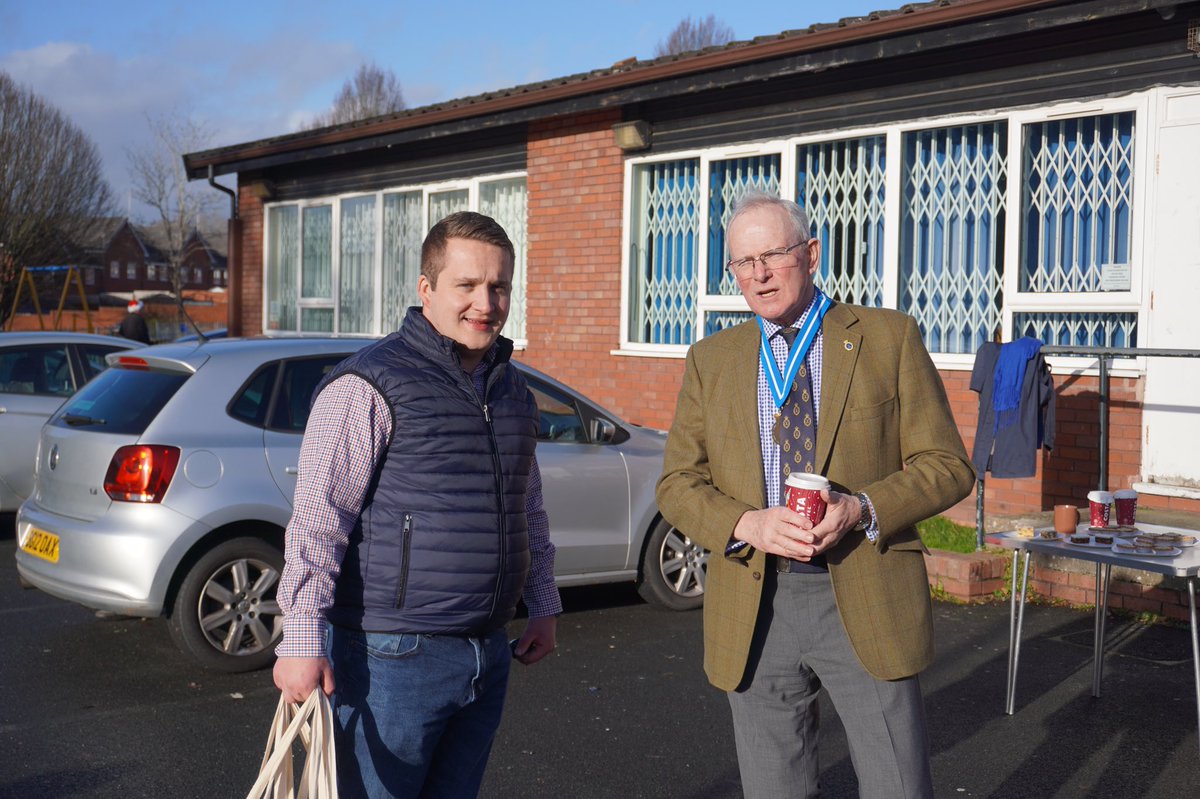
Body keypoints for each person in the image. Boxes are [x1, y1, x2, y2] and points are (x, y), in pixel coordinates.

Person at [656, 191, 974, 799]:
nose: (760, 274)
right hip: (754, 602)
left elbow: (947, 466)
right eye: (743, 263)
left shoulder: (888, 338)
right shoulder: (712, 360)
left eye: (773, 254)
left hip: (862, 586)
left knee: (896, 786)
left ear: (811, 253)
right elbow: (677, 483)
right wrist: (746, 522)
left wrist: (861, 508)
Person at [273, 211, 561, 798]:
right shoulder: (367, 384)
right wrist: (300, 642)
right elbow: (318, 521)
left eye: (499, 286)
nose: (486, 302)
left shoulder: (513, 392)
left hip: (486, 654)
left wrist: (544, 603)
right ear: (426, 289)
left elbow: (527, 508)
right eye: (467, 285)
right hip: (390, 662)